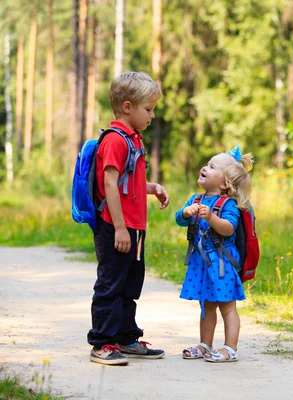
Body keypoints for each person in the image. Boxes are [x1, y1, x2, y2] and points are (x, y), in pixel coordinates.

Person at [88, 71, 171, 366]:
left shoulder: (133, 139)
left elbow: (127, 183)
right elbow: (109, 185)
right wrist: (119, 228)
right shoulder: (115, 140)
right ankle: (102, 342)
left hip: (135, 228)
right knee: (111, 284)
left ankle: (125, 337)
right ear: (127, 107)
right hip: (116, 226)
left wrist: (152, 188)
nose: (151, 115)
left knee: (129, 285)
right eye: (148, 109)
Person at [176, 146, 253, 362]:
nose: (204, 167)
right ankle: (205, 344)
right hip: (202, 263)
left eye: (212, 167)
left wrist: (211, 217)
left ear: (224, 183)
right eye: (207, 163)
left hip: (222, 264)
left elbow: (229, 228)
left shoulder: (228, 204)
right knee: (206, 306)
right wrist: (185, 213)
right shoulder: (195, 198)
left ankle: (231, 348)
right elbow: (179, 220)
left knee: (227, 307)